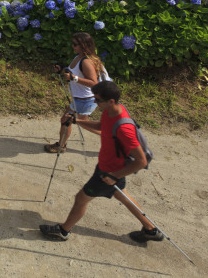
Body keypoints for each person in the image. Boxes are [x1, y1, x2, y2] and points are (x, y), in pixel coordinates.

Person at [38, 80, 164, 243]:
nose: (94, 102)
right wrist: (77, 121)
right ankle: (151, 229)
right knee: (122, 196)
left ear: (110, 101)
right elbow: (102, 126)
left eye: (97, 100)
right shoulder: (110, 111)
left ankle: (63, 231)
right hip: (109, 167)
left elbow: (141, 160)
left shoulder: (124, 128)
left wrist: (114, 175)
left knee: (81, 198)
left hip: (108, 172)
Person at [45, 32, 109, 154]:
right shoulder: (79, 57)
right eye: (72, 43)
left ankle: (113, 137)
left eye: (75, 44)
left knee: (70, 121)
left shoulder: (86, 62)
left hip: (85, 100)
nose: (72, 46)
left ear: (83, 45)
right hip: (79, 99)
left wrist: (74, 78)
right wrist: (62, 68)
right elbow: (73, 72)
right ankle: (112, 136)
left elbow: (93, 83)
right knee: (77, 122)